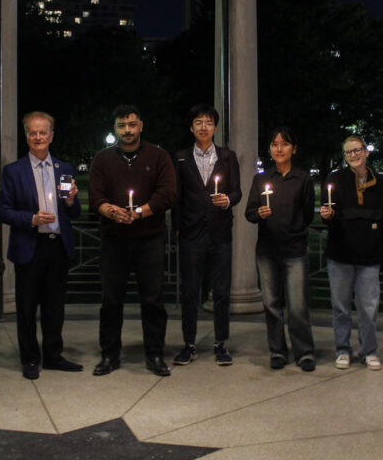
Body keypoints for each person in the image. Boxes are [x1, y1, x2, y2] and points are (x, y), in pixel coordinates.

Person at [89, 104, 177, 376]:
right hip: (114, 239)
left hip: (149, 239)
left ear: (141, 126)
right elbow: (95, 197)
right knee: (111, 300)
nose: (127, 130)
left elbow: (167, 194)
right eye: (121, 125)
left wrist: (138, 213)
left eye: (131, 124)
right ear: (115, 128)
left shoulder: (159, 156)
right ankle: (110, 355)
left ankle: (155, 354)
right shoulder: (102, 159)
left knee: (152, 299)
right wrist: (111, 211)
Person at [0, 111, 84, 379]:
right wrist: (31, 219)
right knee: (26, 307)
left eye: (42, 132)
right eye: (32, 132)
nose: (38, 137)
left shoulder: (64, 169)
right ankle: (30, 358)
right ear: (26, 136)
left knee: (55, 306)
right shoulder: (13, 171)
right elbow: (3, 211)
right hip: (29, 246)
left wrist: (70, 201)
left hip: (57, 246)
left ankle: (54, 355)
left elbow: (75, 212)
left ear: (51, 136)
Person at [171, 105, 241, 367]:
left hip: (220, 234)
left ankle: (220, 343)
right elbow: (175, 197)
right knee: (190, 292)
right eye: (198, 122)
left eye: (208, 122)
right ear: (191, 127)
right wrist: (178, 227)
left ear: (215, 127)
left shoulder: (227, 157)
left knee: (221, 291)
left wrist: (226, 200)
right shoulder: (179, 158)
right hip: (190, 234)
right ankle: (189, 344)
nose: (203, 127)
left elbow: (237, 191)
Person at [244, 126, 316, 371]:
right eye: (275, 144)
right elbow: (249, 213)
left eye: (284, 144)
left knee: (297, 305)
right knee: (272, 304)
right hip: (267, 251)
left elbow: (307, 215)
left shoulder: (303, 179)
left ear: (293, 148)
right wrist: (259, 213)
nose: (279, 148)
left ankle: (304, 352)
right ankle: (277, 350)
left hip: (295, 250)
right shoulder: (261, 179)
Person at [320, 135, 383, 371]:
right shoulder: (335, 179)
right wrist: (328, 216)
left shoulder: (379, 183)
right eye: (348, 152)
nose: (353, 155)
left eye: (357, 150)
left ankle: (369, 350)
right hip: (340, 254)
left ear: (366, 152)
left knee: (368, 308)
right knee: (340, 307)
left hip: (369, 256)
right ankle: (342, 349)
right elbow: (330, 216)